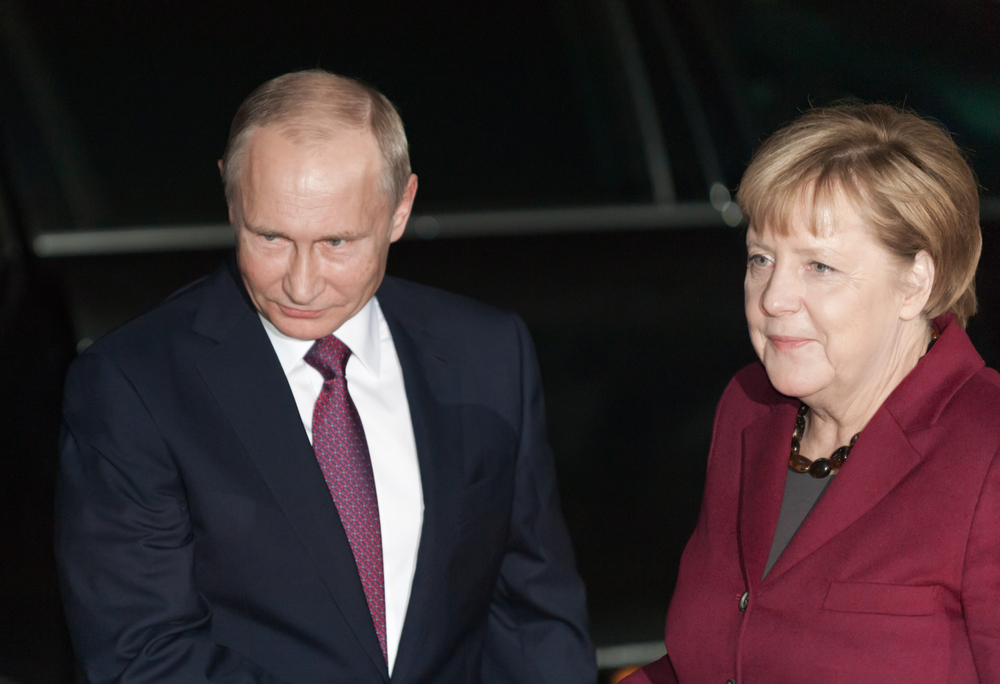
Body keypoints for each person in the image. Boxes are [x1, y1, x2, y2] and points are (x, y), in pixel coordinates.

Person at [55, 69, 596, 684]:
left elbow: (533, 615)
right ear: (232, 201)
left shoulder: (487, 353)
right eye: (270, 237)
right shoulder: (135, 385)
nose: (301, 284)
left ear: (400, 209)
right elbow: (143, 657)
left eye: (337, 241)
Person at [624, 103, 1000, 683]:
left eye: (819, 266)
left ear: (915, 283)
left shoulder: (987, 447)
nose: (773, 297)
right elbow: (715, 658)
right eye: (761, 258)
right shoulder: (750, 409)